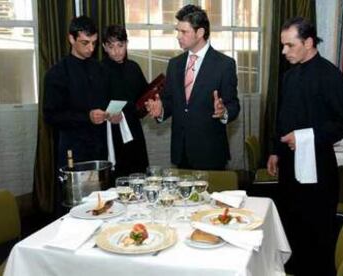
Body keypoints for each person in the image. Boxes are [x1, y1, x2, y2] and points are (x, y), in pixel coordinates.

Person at [266, 17, 343, 276]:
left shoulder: (331, 76)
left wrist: (305, 137)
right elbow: (283, 118)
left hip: (319, 169)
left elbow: (342, 123)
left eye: (290, 46)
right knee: (291, 223)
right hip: (290, 166)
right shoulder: (290, 76)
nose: (284, 52)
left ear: (309, 42)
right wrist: (274, 150)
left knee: (316, 233)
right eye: (283, 46)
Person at [145, 4, 240, 170]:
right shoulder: (174, 64)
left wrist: (223, 111)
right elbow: (170, 101)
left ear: (200, 33)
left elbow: (234, 105)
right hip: (181, 152)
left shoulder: (224, 65)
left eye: (184, 32)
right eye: (177, 31)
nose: (178, 36)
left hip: (210, 153)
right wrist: (161, 111)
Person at [43, 16, 116, 213]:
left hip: (99, 149)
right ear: (71, 39)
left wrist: (112, 115)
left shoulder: (100, 69)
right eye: (85, 43)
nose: (91, 49)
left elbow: (106, 104)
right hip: (73, 151)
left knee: (102, 206)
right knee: (75, 209)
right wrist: (87, 117)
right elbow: (51, 116)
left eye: (94, 43)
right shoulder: (57, 73)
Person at [101, 25, 149, 177]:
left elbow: (144, 96)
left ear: (126, 44)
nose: (116, 51)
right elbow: (94, 103)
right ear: (104, 47)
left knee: (138, 172)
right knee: (117, 177)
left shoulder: (133, 68)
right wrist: (107, 114)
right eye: (111, 46)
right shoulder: (99, 70)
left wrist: (151, 101)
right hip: (111, 129)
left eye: (120, 45)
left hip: (133, 128)